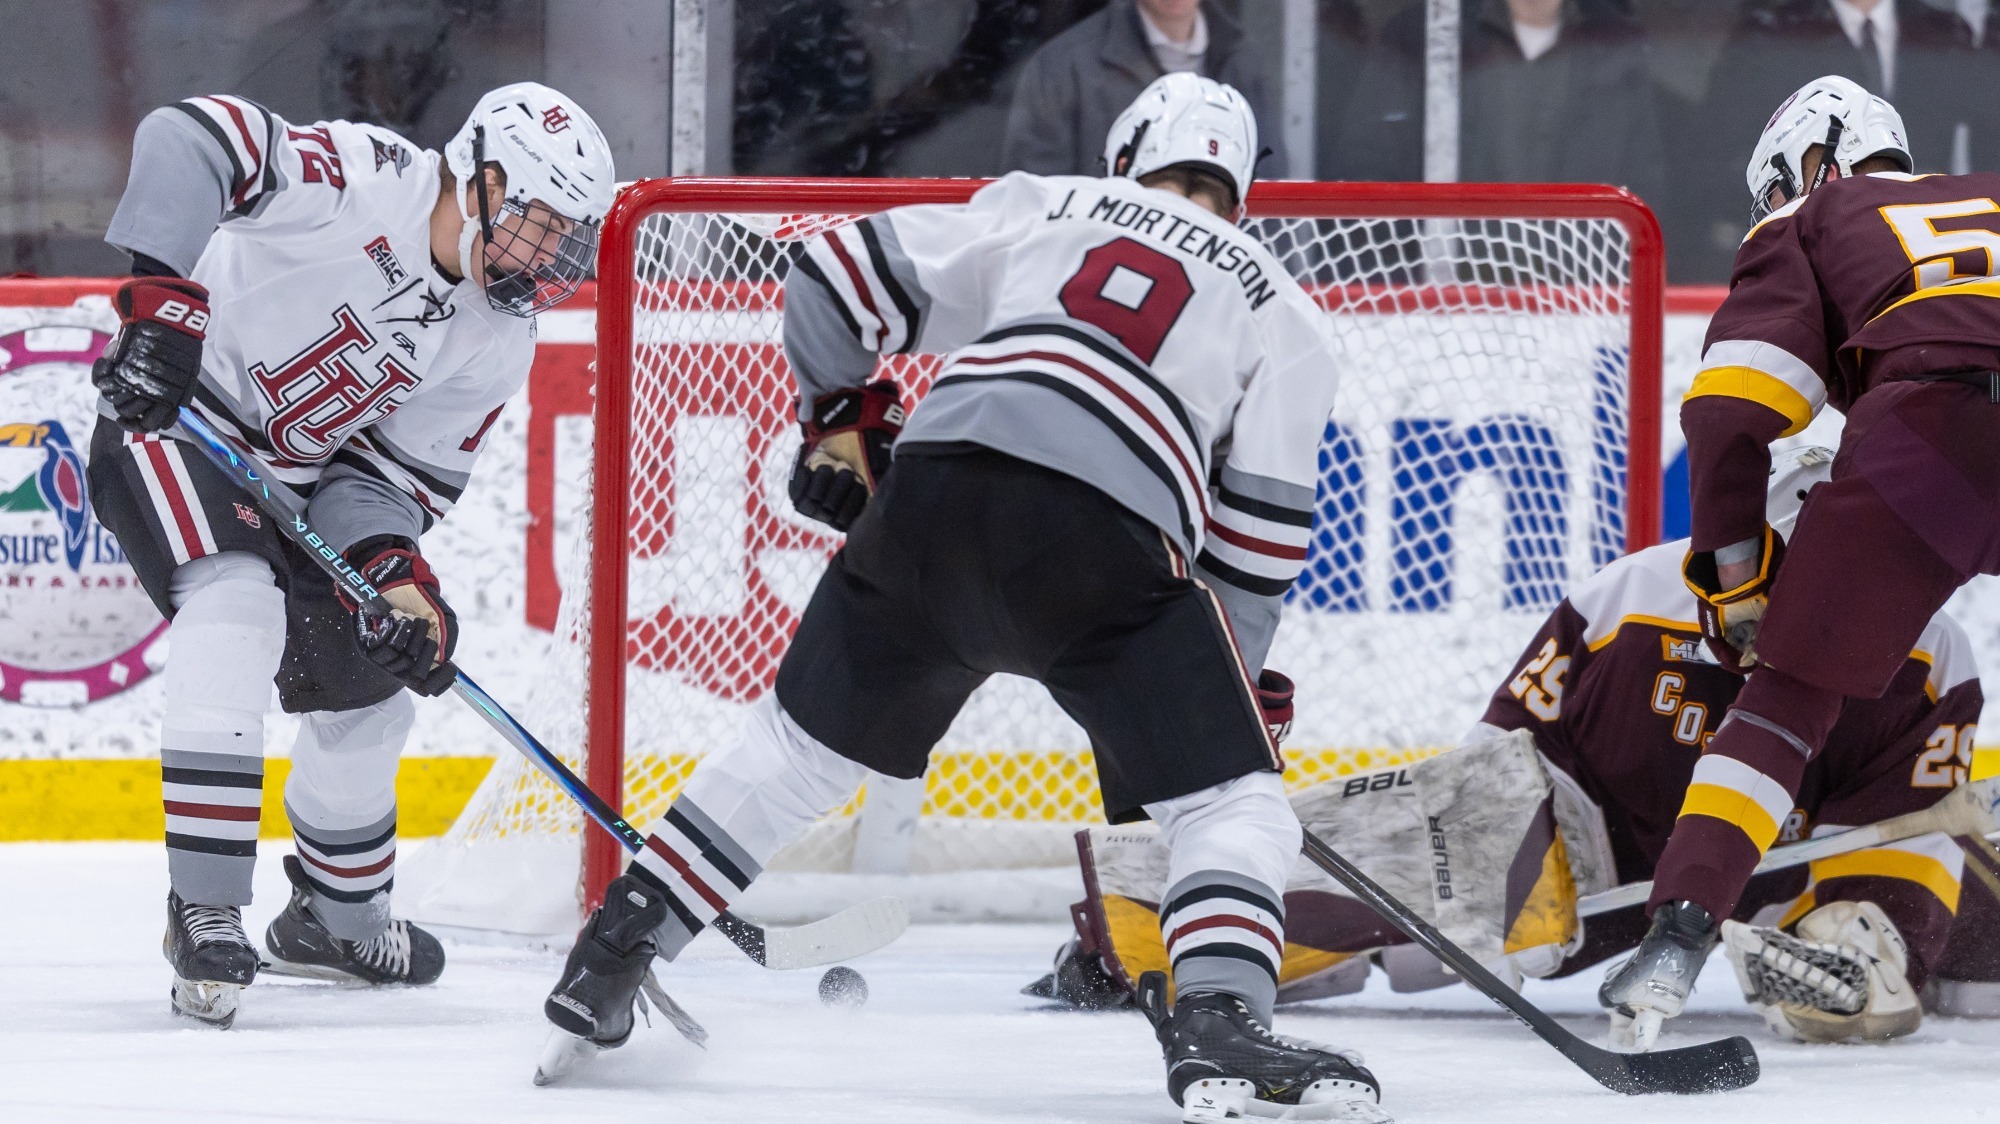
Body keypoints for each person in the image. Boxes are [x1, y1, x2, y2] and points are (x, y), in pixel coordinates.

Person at [536, 73, 1382, 1122]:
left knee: (793, 755)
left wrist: (839, 421)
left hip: (931, 497)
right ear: (1239, 196)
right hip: (1099, 543)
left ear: (1123, 158)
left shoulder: (1047, 203)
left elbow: (831, 272)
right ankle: (1218, 1018)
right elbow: (1254, 543)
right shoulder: (1283, 308)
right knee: (1232, 805)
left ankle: (611, 956)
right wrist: (1230, 692)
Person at [1031, 448, 1999, 1045]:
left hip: (1776, 881)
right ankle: (1143, 936)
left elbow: (1901, 836)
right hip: (1589, 846)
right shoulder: (1629, 596)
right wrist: (1464, 872)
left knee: (1917, 963)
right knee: (1438, 872)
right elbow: (1486, 769)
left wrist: (1862, 936)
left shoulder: (1932, 658)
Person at [86, 82, 614, 1028]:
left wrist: (396, 585)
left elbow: (385, 479)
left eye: (569, 240)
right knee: (236, 605)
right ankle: (204, 907)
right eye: (544, 228)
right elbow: (188, 135)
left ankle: (336, 920)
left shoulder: (498, 338)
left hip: (295, 490)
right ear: (486, 181)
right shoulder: (364, 179)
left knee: (371, 697)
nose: (553, 259)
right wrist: (160, 307)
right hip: (178, 421)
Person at [1597, 72, 2000, 1048]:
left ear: (1812, 165)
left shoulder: (1811, 217)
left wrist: (1737, 582)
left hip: (1931, 435)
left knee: (1781, 705)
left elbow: (1729, 410)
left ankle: (1674, 940)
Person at [1680, 0, 1982, 279]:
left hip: (1930, 262)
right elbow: (1716, 166)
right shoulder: (1767, 33)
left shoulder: (1948, 33)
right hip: (1814, 271)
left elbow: (1986, 150)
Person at [1334, 0, 1665, 204]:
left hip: (1582, 290)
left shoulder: (1618, 46)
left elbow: (1645, 188)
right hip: (1448, 291)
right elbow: (1367, 174)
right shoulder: (1420, 38)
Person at [1002, 0, 1287, 179]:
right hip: (1106, 256)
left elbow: (1270, 183)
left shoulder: (1242, 59)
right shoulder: (1062, 67)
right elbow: (1035, 197)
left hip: (1216, 255)